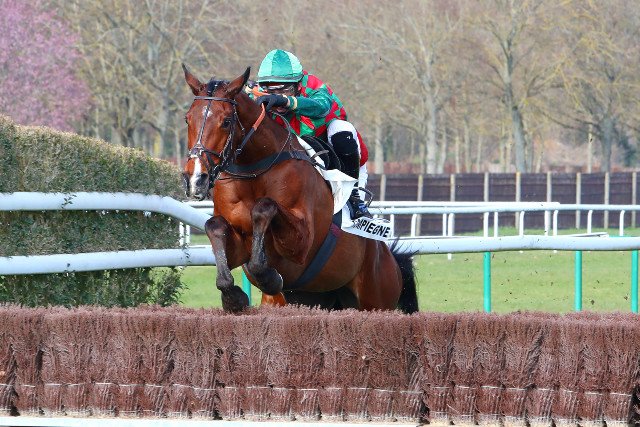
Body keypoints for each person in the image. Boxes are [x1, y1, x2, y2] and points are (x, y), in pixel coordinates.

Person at [252, 49, 372, 220]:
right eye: (271, 92)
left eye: (284, 90)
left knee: (341, 128)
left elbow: (321, 107)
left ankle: (354, 196)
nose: (277, 97)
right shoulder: (257, 92)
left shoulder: (315, 87)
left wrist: (286, 101)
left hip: (337, 155)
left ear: (298, 85)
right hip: (299, 162)